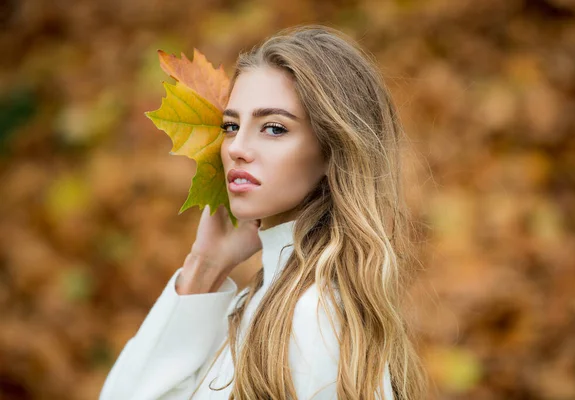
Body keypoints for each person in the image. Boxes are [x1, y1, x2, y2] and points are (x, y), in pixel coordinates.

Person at [99, 25, 428, 399]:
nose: (236, 147)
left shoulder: (313, 318)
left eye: (273, 128)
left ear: (333, 149)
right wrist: (204, 268)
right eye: (231, 126)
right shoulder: (258, 302)